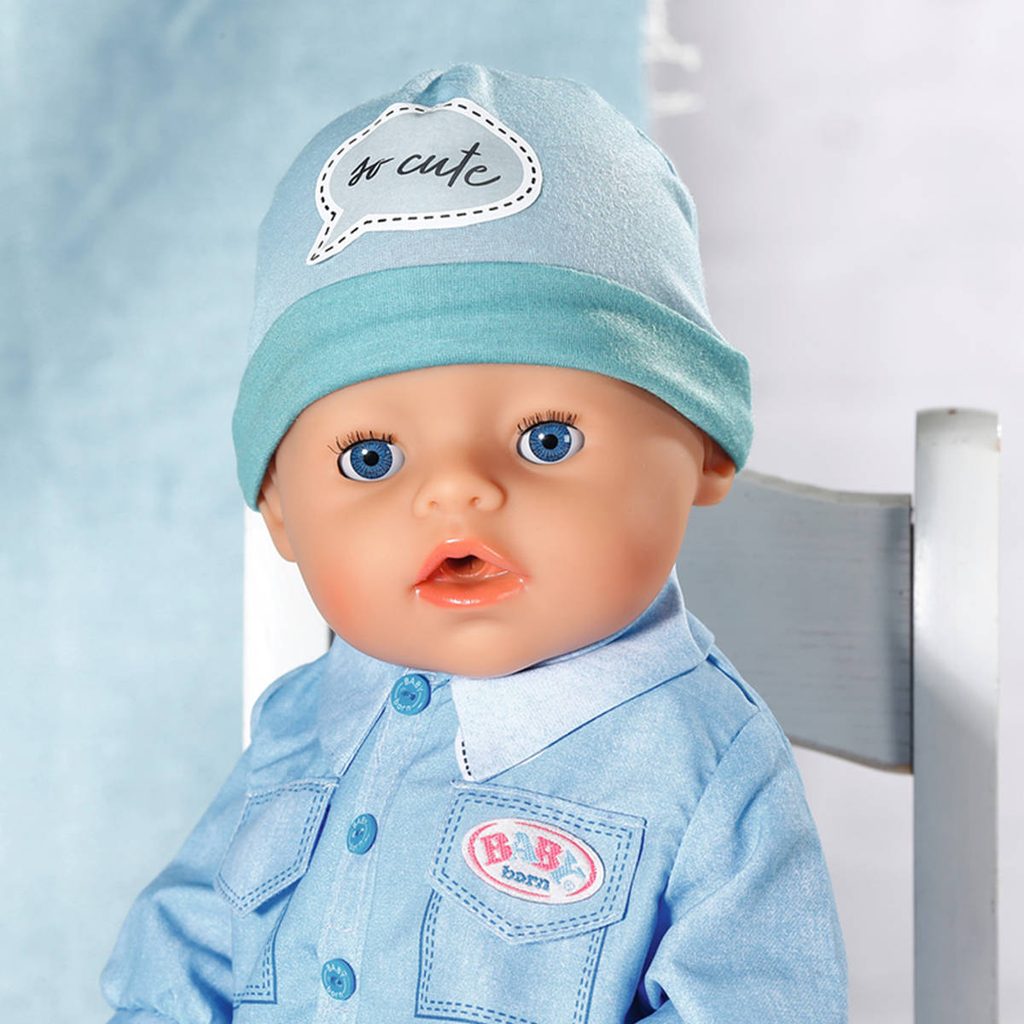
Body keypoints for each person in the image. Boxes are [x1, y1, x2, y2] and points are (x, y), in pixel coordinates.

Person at [101, 64, 847, 1023]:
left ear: (704, 445)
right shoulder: (303, 720)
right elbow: (187, 949)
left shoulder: (700, 761)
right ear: (280, 511)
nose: (457, 489)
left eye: (548, 440)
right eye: (371, 458)